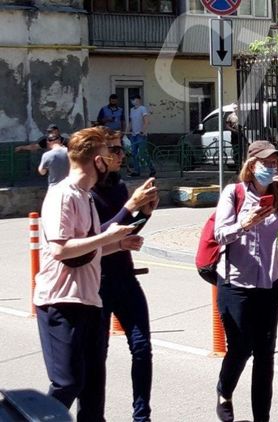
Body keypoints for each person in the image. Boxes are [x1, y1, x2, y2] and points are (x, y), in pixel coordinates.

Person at [33, 126, 140, 419]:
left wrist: (118, 244)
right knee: (67, 383)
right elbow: (61, 249)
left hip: (89, 301)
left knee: (92, 387)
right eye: (110, 153)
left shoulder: (85, 196)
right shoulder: (62, 195)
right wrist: (106, 237)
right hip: (61, 301)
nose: (116, 158)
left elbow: (86, 251)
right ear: (97, 160)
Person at [213, 140, 278, 422]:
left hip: (269, 284)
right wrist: (244, 224)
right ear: (252, 165)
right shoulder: (234, 193)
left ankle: (261, 418)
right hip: (236, 284)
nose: (272, 167)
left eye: (275, 163)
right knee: (240, 348)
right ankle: (224, 390)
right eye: (266, 163)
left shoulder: (277, 196)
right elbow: (220, 234)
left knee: (265, 355)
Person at [91, 128, 159, 421]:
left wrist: (145, 214)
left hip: (125, 277)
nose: (122, 155)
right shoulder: (85, 193)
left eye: (122, 149)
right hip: (96, 283)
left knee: (142, 348)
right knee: (97, 355)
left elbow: (124, 231)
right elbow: (93, 237)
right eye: (115, 150)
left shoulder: (118, 187)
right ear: (98, 156)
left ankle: (142, 416)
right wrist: (130, 206)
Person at [128, 95, 155, 177]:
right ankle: (137, 171)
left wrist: (142, 131)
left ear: (139, 100)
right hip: (133, 135)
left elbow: (146, 121)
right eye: (131, 99)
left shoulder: (142, 108)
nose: (132, 101)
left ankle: (152, 169)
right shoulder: (132, 110)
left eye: (134, 99)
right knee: (134, 153)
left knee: (142, 153)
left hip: (141, 135)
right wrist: (127, 130)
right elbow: (131, 121)